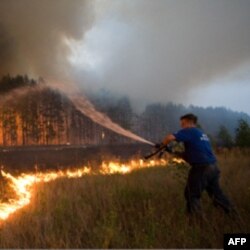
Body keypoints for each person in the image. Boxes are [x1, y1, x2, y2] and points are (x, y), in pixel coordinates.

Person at [159, 113, 234, 216]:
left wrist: (162, 145)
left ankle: (196, 221)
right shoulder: (201, 134)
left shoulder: (190, 131)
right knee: (217, 195)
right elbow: (191, 154)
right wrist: (172, 152)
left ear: (190, 123)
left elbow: (169, 137)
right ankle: (233, 215)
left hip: (201, 168)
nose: (182, 126)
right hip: (213, 167)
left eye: (183, 123)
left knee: (191, 194)